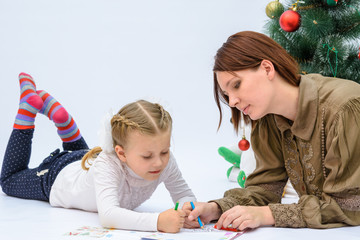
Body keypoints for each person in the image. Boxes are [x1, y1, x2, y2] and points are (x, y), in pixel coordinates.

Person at [184, 31, 360, 230]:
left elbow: (350, 206)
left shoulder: (346, 108)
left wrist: (267, 214)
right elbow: (265, 189)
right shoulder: (268, 119)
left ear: (267, 69)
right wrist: (216, 209)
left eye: (237, 85)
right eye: (227, 94)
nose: (232, 101)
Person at [0, 73, 196, 233]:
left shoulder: (163, 160)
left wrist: (189, 209)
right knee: (9, 181)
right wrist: (158, 221)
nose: (159, 163)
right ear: (121, 153)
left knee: (87, 157)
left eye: (165, 151)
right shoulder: (108, 165)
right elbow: (109, 215)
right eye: (147, 156)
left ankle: (64, 121)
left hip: (87, 161)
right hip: (56, 177)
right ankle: (26, 110)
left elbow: (184, 194)